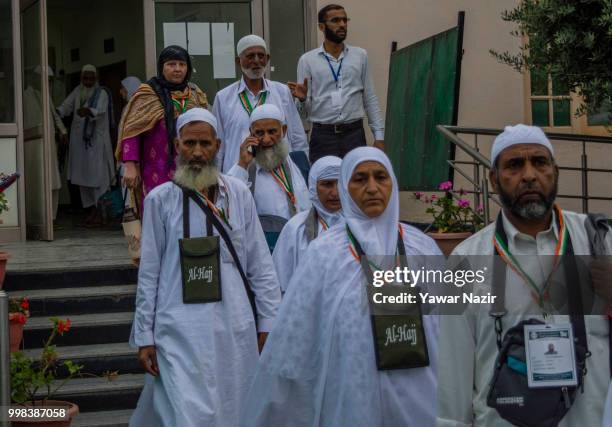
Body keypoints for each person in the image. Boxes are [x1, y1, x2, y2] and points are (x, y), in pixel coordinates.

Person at [240, 147, 441, 426]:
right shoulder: (323, 253)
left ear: (392, 184)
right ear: (347, 187)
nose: (372, 188)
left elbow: (456, 328)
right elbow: (295, 337)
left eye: (380, 177)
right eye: (360, 179)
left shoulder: (423, 247)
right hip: (351, 394)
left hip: (419, 393)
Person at [437, 124, 612, 426]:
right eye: (515, 165)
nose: (529, 175)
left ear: (555, 172)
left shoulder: (598, 242)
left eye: (540, 162)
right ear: (493, 179)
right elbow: (453, 372)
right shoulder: (464, 260)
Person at [130, 108, 281, 427]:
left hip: (234, 329)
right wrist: (145, 334)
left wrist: (269, 322)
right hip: (178, 330)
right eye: (189, 143)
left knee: (235, 409)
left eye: (204, 144)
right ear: (176, 146)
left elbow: (260, 265)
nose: (197, 152)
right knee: (187, 414)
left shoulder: (238, 193)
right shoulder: (160, 200)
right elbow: (150, 274)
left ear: (218, 145)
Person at [288, 4, 385, 163]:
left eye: (344, 20)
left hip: (354, 134)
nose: (342, 24)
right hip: (323, 136)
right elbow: (302, 111)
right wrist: (303, 99)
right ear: (321, 26)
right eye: (335, 20)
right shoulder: (307, 60)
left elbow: (370, 98)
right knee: (324, 183)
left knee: (355, 182)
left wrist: (379, 136)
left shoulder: (360, 56)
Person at [117, 46, 208, 205]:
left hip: (193, 164)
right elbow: (131, 131)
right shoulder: (147, 94)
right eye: (171, 64)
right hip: (156, 168)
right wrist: (130, 165)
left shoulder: (195, 94)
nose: (178, 69)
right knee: (158, 212)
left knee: (191, 215)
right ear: (162, 67)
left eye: (182, 64)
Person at [213, 34, 308, 173]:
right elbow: (218, 146)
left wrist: (301, 171)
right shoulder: (223, 98)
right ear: (238, 61)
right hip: (238, 175)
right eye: (250, 56)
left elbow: (298, 137)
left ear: (267, 59)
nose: (256, 61)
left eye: (261, 56)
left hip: (280, 174)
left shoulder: (282, 92)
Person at [227, 104, 311, 246]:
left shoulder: (299, 161)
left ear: (283, 130)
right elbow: (229, 204)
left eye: (272, 131)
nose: (266, 139)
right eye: (259, 133)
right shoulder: (246, 170)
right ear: (251, 133)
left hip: (304, 245)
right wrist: (242, 165)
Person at [272, 155, 342, 293]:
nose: (335, 192)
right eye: (327, 184)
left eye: (340, 183)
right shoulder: (296, 228)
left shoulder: (362, 228)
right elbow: (279, 283)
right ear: (313, 186)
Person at [58, 64, 114, 226]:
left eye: (91, 78)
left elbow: (99, 110)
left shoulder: (101, 92)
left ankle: (100, 213)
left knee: (98, 179)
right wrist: (56, 112)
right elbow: (66, 106)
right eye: (85, 78)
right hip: (80, 146)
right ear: (82, 78)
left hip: (96, 145)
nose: (88, 81)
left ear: (96, 78)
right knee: (83, 179)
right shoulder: (78, 90)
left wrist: (88, 111)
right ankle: (91, 211)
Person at [23, 65, 67, 221]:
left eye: (50, 80)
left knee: (53, 180)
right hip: (33, 143)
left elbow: (54, 115)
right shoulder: (24, 95)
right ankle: (39, 217)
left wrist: (63, 131)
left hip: (49, 143)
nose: (48, 83)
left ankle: (51, 217)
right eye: (46, 80)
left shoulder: (45, 95)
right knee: (38, 180)